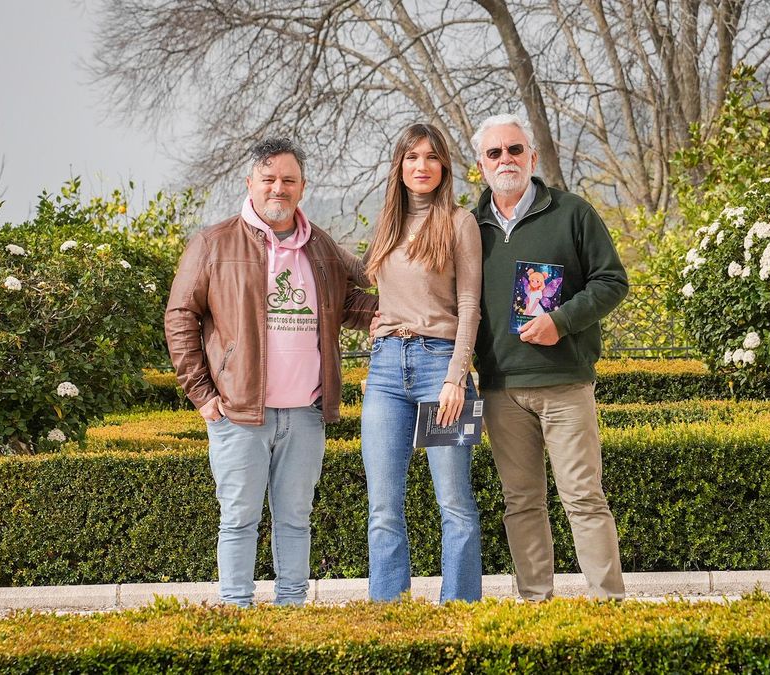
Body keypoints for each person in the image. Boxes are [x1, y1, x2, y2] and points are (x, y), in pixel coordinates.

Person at [165, 137, 377, 607]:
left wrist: (396, 313)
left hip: (305, 412)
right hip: (240, 413)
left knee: (295, 518)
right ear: (250, 184)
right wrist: (202, 394)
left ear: (302, 187)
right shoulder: (212, 244)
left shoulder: (321, 246)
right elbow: (180, 316)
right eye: (269, 180)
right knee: (239, 518)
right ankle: (237, 610)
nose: (278, 188)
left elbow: (350, 300)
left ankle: (291, 609)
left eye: (288, 180)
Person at [470, 114, 629, 601]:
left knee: (583, 498)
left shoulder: (573, 213)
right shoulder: (468, 228)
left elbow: (612, 282)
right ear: (481, 165)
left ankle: (610, 605)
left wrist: (559, 321)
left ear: (532, 157)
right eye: (495, 153)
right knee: (521, 503)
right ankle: (537, 604)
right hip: (500, 389)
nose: (506, 160)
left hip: (565, 384)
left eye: (515, 150)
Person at [360, 123, 483, 603]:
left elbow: (470, 304)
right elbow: (378, 291)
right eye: (412, 157)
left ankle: (460, 611)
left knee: (454, 502)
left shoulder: (459, 223)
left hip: (441, 369)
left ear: (444, 167)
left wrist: (457, 377)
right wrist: (377, 320)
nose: (422, 166)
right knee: (384, 506)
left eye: (432, 157)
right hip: (387, 369)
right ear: (400, 166)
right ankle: (390, 614)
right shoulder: (386, 224)